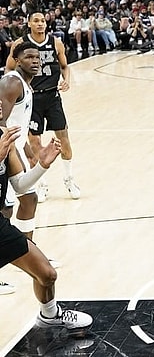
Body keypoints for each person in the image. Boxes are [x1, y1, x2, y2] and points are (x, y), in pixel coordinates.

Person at [0, 117, 92, 329]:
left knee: (47, 274)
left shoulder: (5, 136)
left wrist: (41, 165)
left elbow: (20, 186)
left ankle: (49, 315)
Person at [6, 12, 80, 204]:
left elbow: (65, 66)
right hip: (33, 99)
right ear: (29, 23)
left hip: (52, 96)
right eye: (36, 21)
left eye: (43, 21)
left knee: (63, 139)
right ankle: (42, 184)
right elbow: (9, 69)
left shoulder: (56, 43)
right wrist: (19, 86)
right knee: (35, 142)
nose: (40, 24)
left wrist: (67, 80)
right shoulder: (19, 45)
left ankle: (69, 179)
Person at [0, 42, 47, 242]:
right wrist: (13, 153)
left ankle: (27, 250)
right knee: (6, 209)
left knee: (29, 199)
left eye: (37, 57)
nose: (35, 61)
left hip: (16, 147)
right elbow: (1, 122)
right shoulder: (13, 82)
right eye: (28, 57)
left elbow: (17, 121)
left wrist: (27, 149)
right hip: (6, 151)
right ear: (17, 60)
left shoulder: (25, 83)